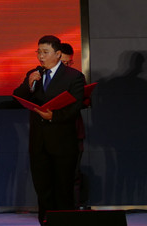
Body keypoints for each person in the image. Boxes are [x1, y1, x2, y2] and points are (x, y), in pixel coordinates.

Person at [12, 35, 85, 225]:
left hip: (63, 143)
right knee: (43, 189)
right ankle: (45, 221)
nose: (41, 56)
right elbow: (17, 97)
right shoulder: (34, 74)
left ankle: (64, 222)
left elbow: (75, 107)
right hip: (38, 143)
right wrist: (29, 84)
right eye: (38, 52)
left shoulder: (74, 76)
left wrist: (53, 116)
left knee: (63, 189)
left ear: (58, 54)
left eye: (45, 52)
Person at [59, 42, 88, 207]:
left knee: (74, 174)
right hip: (52, 132)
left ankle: (73, 211)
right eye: (63, 63)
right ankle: (54, 212)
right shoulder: (44, 78)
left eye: (69, 63)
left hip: (74, 131)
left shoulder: (77, 77)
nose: (67, 66)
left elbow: (84, 101)